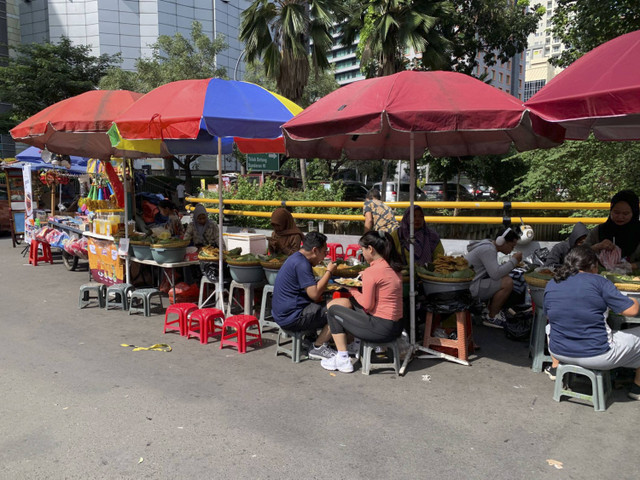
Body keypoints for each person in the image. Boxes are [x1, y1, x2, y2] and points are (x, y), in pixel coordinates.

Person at [544, 246, 640, 400]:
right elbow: (632, 310)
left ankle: (555, 367)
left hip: (558, 351)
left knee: (550, 327)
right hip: (598, 356)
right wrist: (633, 300)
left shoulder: (552, 283)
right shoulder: (599, 281)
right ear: (593, 266)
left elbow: (550, 315)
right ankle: (637, 388)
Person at [321, 231, 404, 373]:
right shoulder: (394, 269)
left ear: (370, 249)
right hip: (396, 328)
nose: (362, 254)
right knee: (353, 302)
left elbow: (367, 305)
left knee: (333, 310)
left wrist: (351, 289)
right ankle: (355, 344)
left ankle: (342, 358)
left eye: (363, 250)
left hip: (380, 329)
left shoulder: (373, 272)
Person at [271, 232, 338, 360]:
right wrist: (329, 272)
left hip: (282, 314)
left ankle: (311, 337)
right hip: (292, 318)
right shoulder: (302, 264)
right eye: (324, 252)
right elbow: (314, 294)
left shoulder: (296, 257)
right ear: (315, 250)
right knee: (340, 307)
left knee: (327, 302)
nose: (324, 257)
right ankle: (318, 347)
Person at [465, 227, 523, 328]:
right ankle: (492, 316)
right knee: (507, 282)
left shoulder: (487, 246)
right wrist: (514, 261)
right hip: (470, 288)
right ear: (501, 242)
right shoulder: (488, 250)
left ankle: (489, 310)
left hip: (469, 284)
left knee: (505, 277)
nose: (512, 250)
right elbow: (495, 274)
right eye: (511, 246)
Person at [584, 190, 640, 269]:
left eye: (625, 214)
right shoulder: (599, 231)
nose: (620, 217)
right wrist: (597, 247)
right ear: (611, 211)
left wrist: (631, 266)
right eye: (616, 212)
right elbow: (578, 255)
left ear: (634, 213)